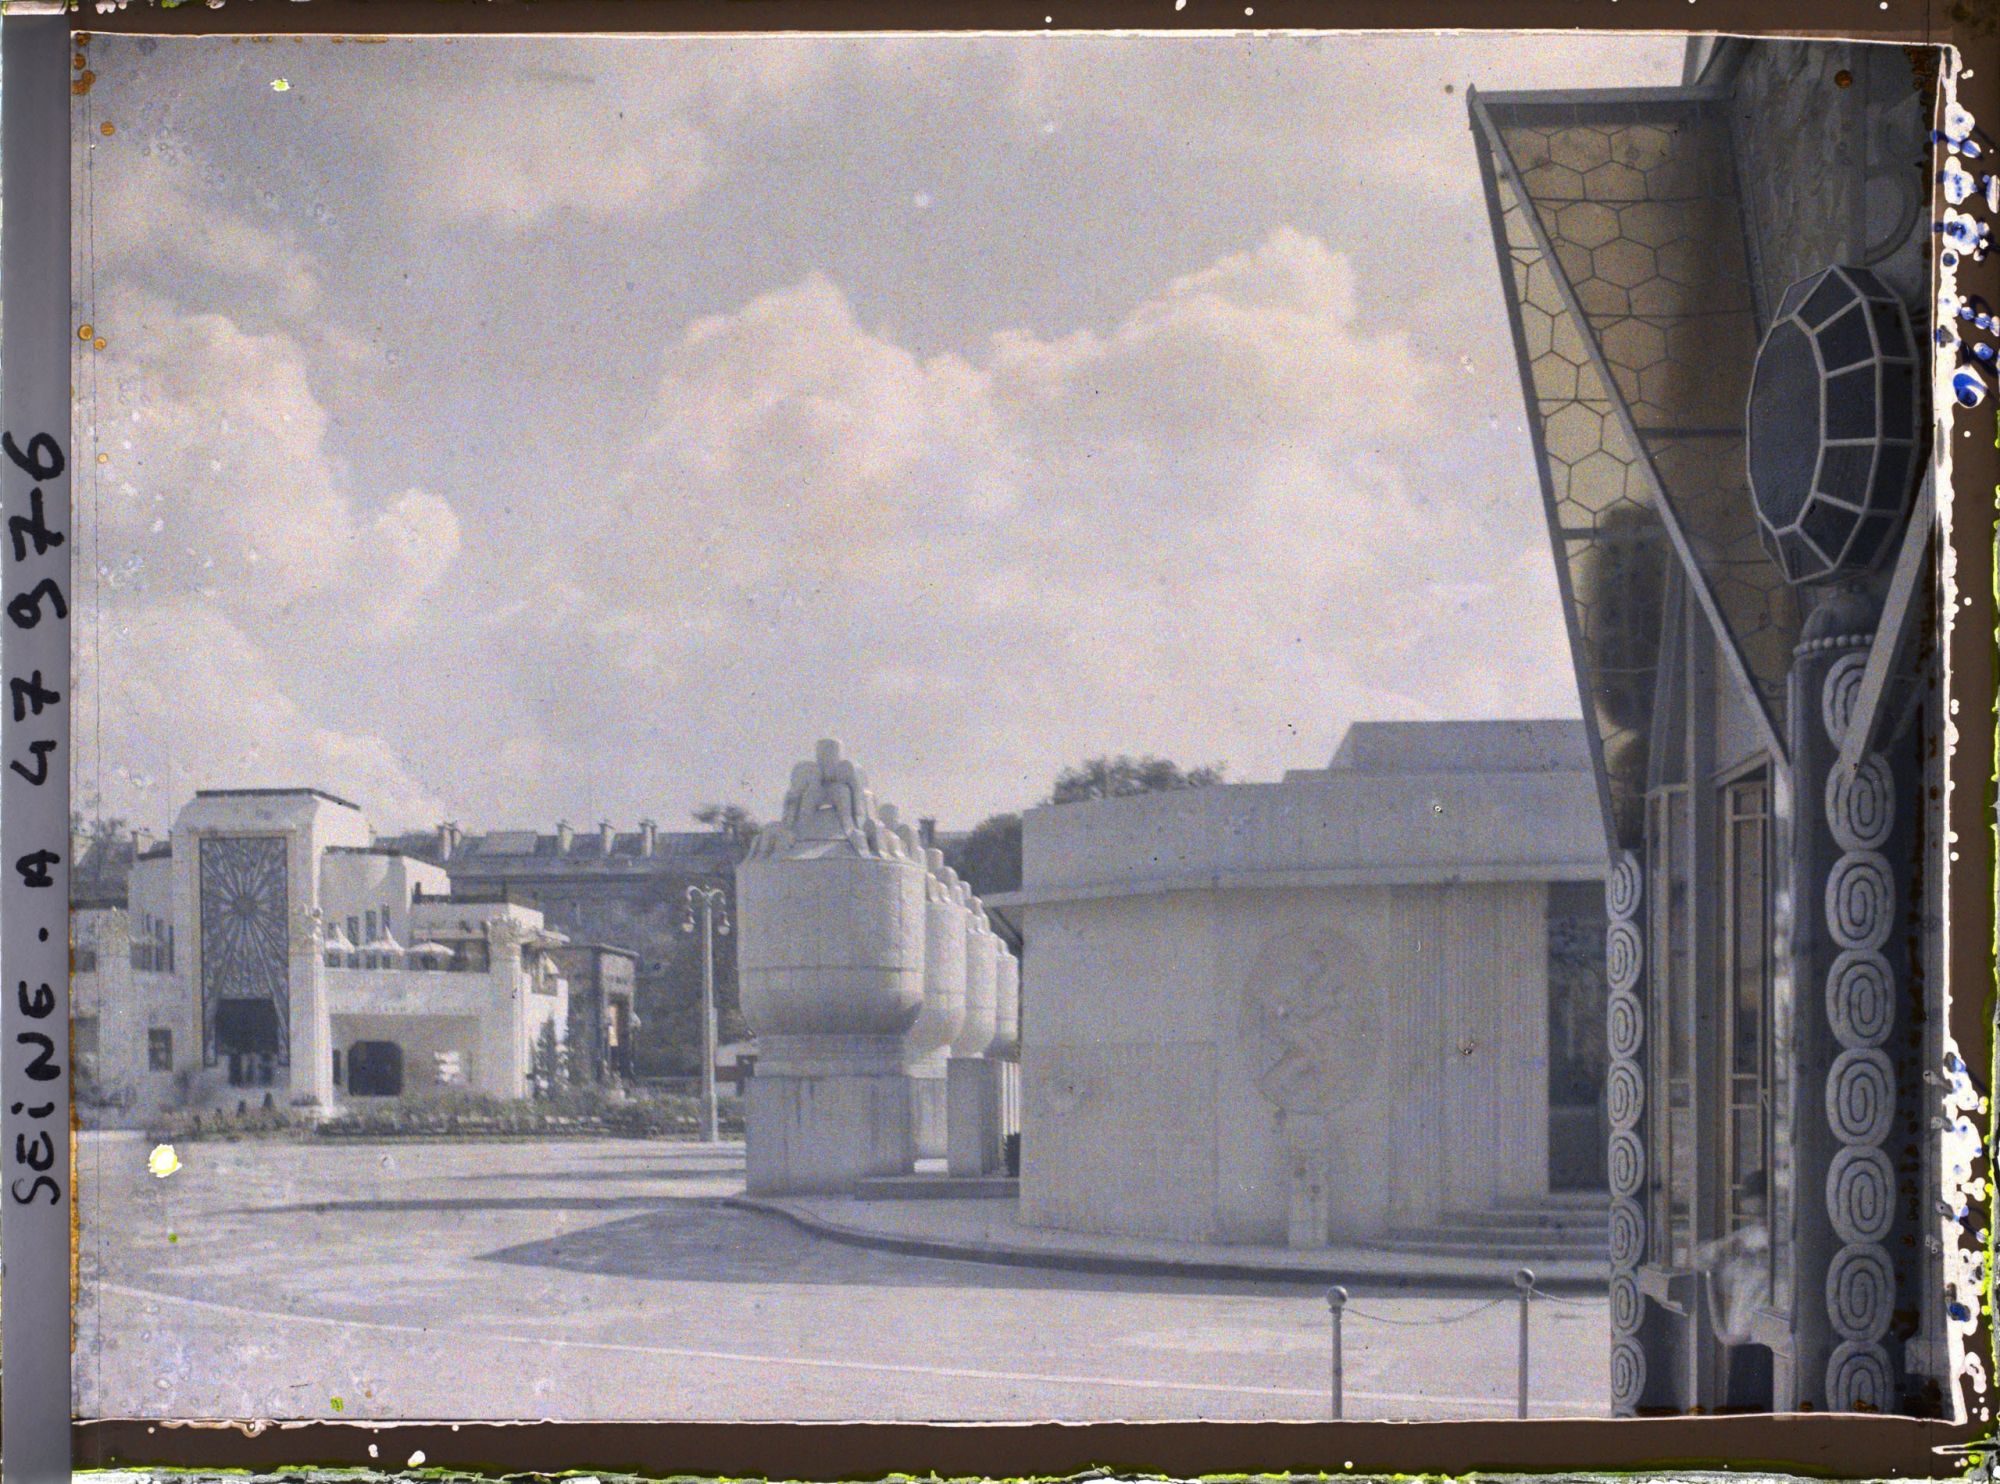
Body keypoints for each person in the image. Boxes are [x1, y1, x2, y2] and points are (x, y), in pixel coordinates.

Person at [1695, 1169, 1772, 1348]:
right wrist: (1721, 1249)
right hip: (1741, 1335)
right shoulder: (1748, 1237)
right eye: (1754, 1215)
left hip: (1771, 1339)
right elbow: (1701, 1259)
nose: (1760, 1221)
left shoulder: (1787, 1242)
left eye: (1764, 1213)